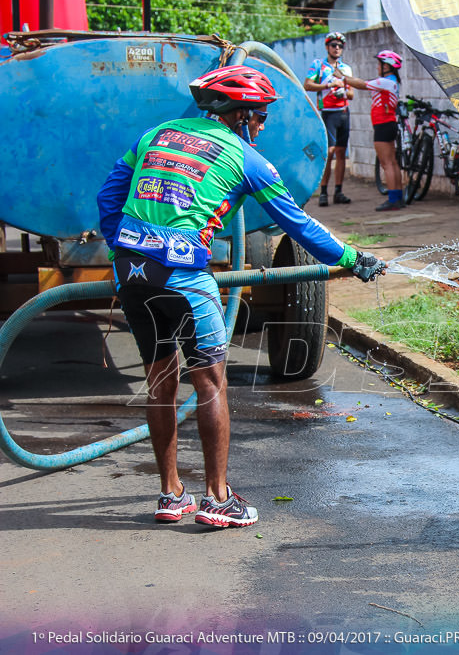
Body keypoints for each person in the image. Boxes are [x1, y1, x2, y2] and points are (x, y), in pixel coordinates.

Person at [95, 65, 387, 528]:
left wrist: (125, 249)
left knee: (161, 379)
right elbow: (298, 223)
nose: (264, 125)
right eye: (262, 116)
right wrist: (352, 258)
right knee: (210, 383)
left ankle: (170, 494)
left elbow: (108, 198)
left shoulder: (156, 134)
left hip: (132, 273)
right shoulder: (246, 157)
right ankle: (216, 500)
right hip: (183, 277)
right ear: (244, 116)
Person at [340, 50, 404, 212]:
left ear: (387, 66)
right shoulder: (393, 81)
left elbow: (362, 84)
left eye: (379, 64)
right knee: (393, 162)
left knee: (386, 163)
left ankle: (392, 200)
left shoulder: (386, 82)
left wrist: (344, 79)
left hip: (383, 125)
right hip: (389, 124)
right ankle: (398, 197)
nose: (377, 68)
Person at [304, 31, 355, 207]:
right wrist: (328, 85)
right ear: (327, 47)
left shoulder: (346, 69)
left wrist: (345, 92)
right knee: (330, 152)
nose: (337, 48)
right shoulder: (319, 65)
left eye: (340, 46)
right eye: (334, 45)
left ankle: (339, 191)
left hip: (343, 112)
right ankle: (324, 191)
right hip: (328, 113)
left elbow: (352, 94)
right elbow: (307, 84)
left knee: (341, 153)